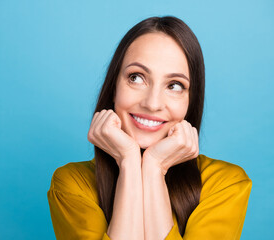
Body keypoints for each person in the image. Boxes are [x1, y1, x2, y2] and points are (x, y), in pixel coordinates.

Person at [47, 16, 252, 240]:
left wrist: (154, 167)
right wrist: (129, 161)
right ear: (114, 88)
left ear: (189, 102)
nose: (152, 104)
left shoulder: (225, 184)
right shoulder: (73, 185)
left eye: (174, 85)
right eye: (136, 78)